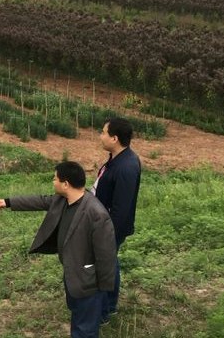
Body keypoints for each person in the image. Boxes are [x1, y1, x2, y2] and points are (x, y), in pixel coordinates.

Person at [0, 161, 116, 338]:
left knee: (84, 330)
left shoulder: (96, 214)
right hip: (72, 273)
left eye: (55, 178)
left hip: (88, 282)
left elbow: (107, 257)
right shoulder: (63, 200)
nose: (52, 181)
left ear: (66, 184)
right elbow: (40, 201)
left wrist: (102, 291)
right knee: (78, 316)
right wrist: (8, 202)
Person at [92, 117, 141, 323]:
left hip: (110, 227)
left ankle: (105, 310)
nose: (100, 136)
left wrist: (106, 233)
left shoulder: (126, 167)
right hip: (103, 223)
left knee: (105, 266)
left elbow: (121, 209)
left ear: (114, 138)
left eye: (103, 132)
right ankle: (108, 306)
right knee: (110, 263)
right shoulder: (116, 158)